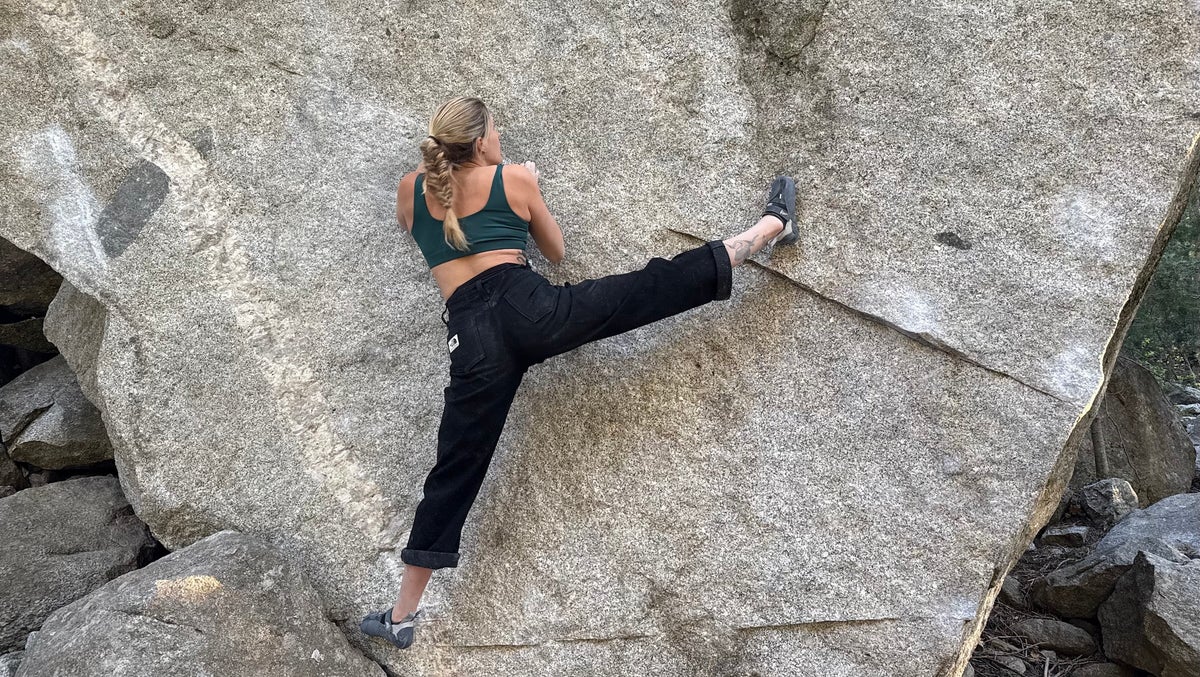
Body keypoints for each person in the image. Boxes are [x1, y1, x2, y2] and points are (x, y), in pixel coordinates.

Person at [360, 96, 799, 649]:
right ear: (480, 144)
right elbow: (557, 252)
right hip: (532, 309)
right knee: (646, 288)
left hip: (471, 338)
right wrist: (527, 187)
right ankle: (768, 228)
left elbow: (418, 221)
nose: (501, 138)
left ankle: (402, 616)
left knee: (456, 465)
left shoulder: (409, 191)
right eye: (496, 132)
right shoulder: (512, 178)